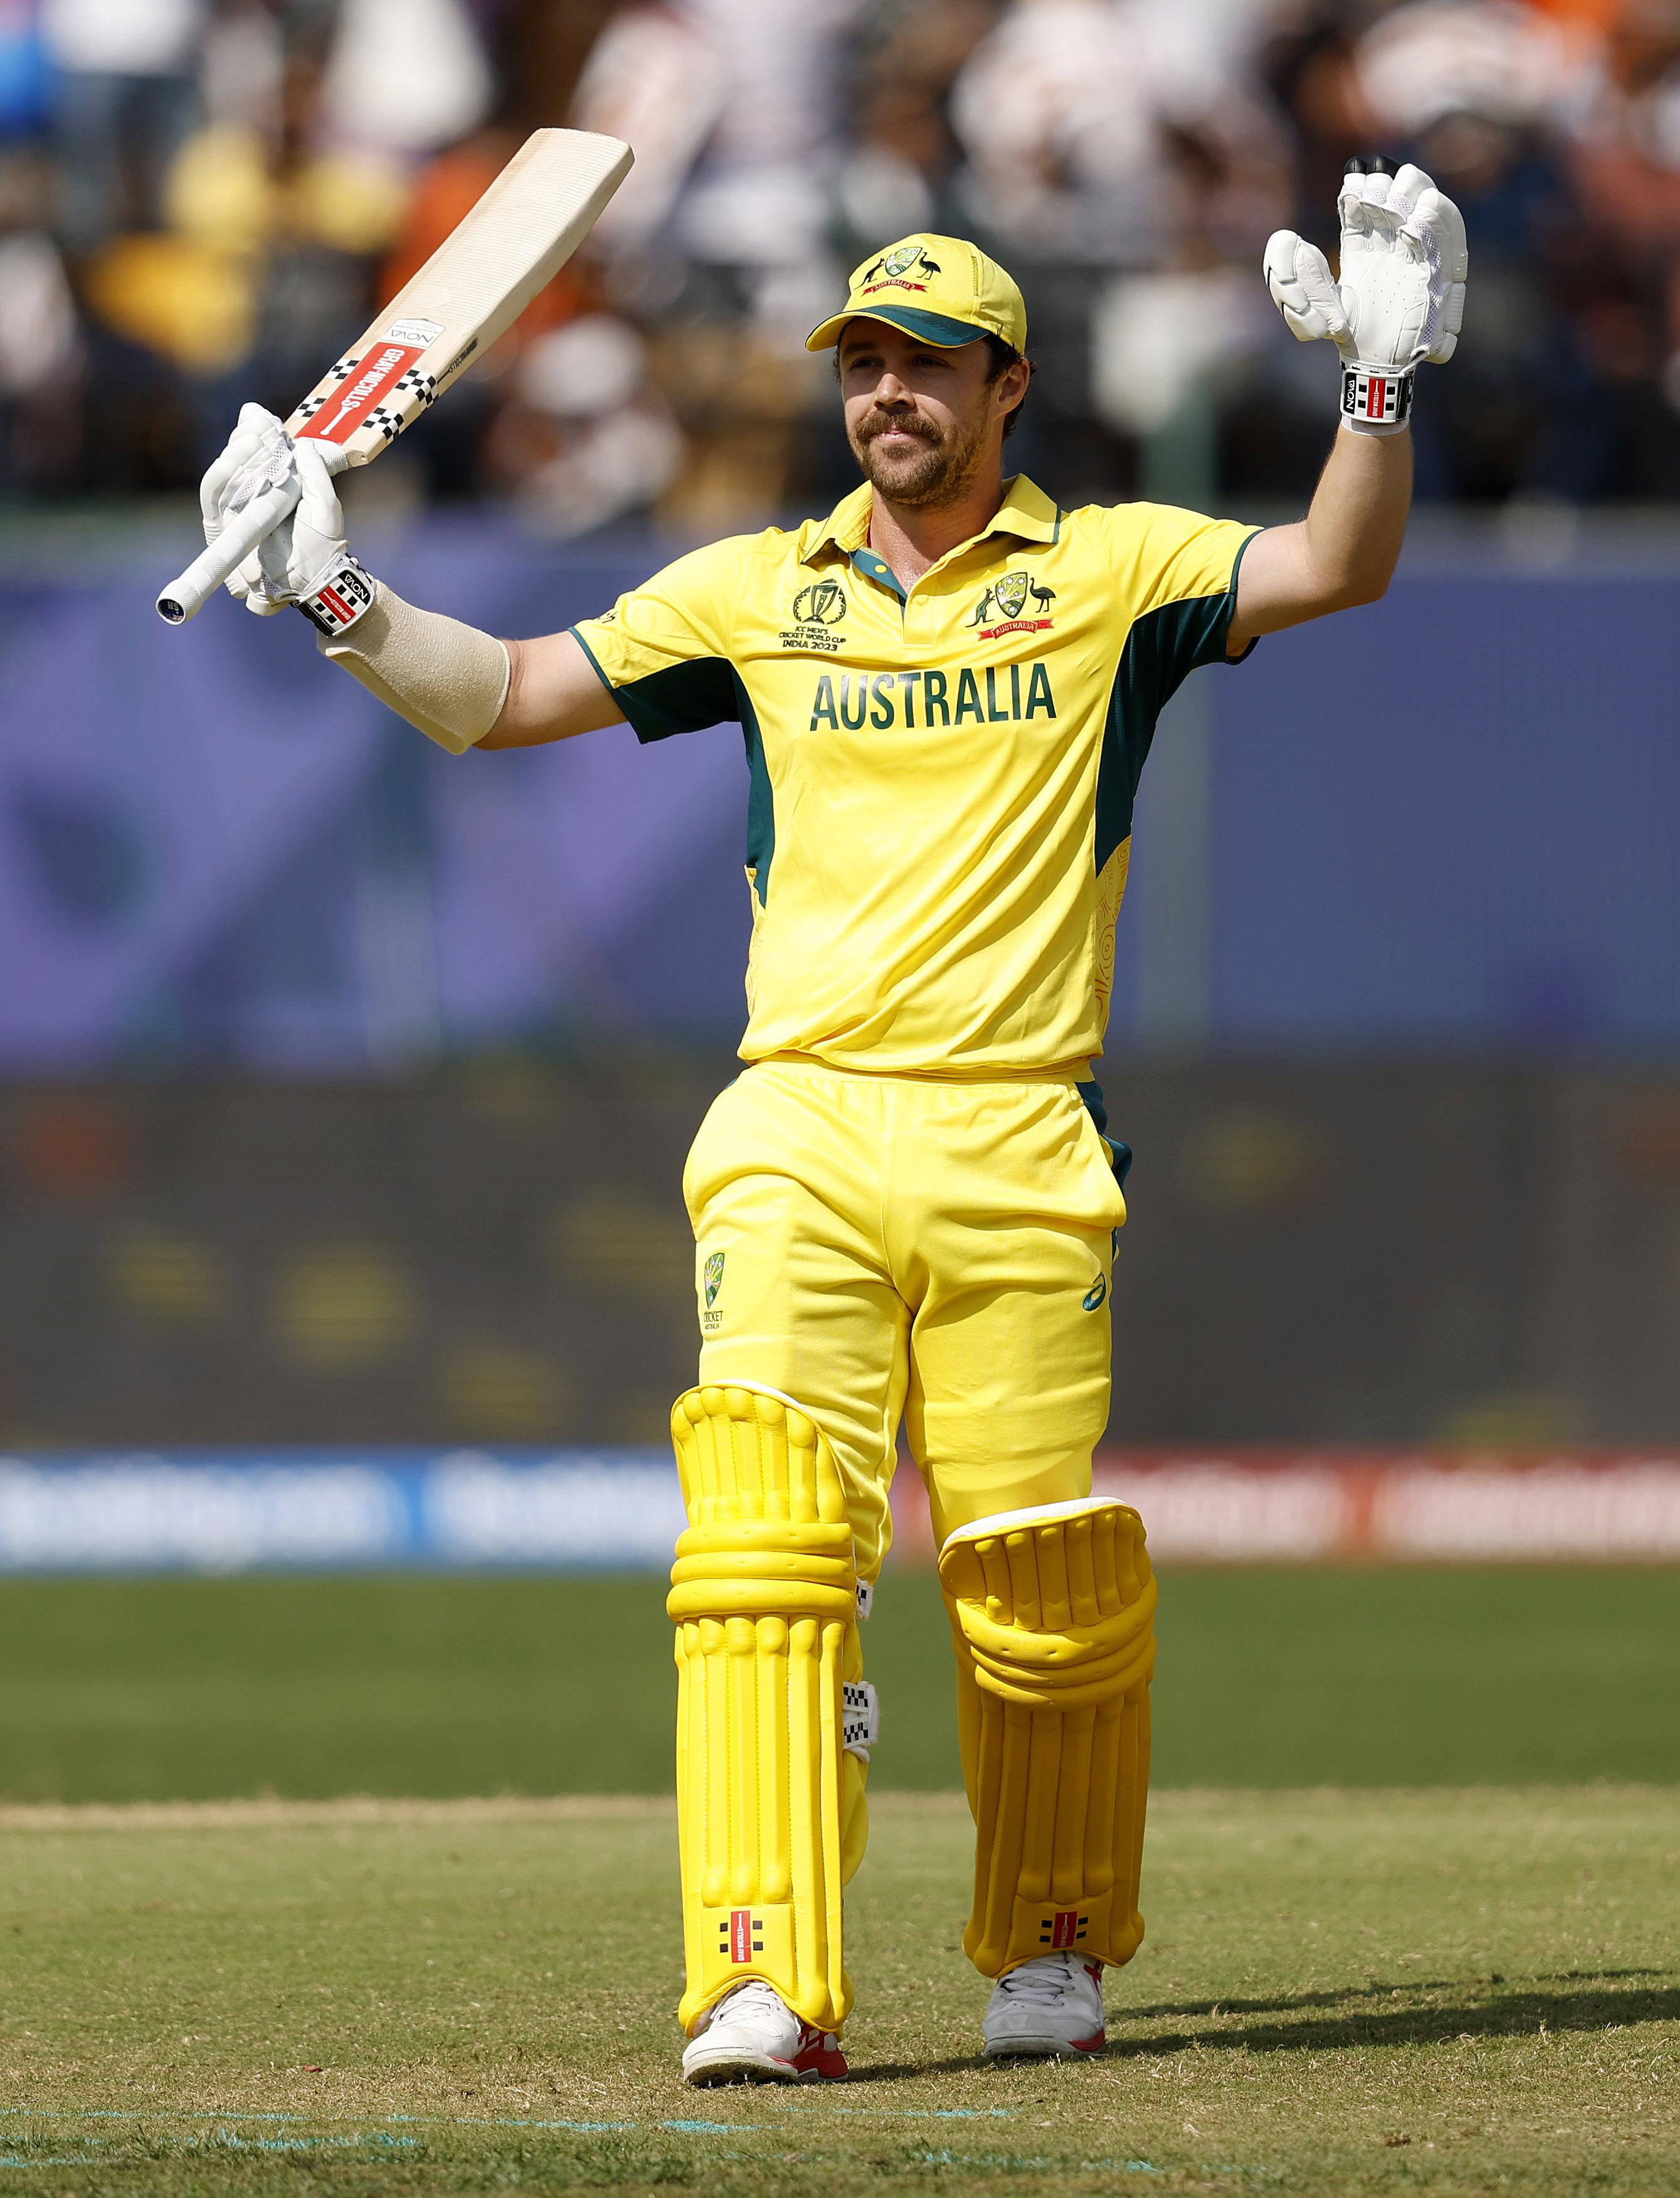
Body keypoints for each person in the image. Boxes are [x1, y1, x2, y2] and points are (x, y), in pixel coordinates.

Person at [198, 159, 1467, 2084]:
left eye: (932, 364)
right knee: (765, 1557)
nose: (891, 394)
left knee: (1036, 1583)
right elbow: (515, 694)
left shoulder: (1111, 572)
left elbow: (1337, 566)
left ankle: (1054, 1950)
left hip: (1019, 1138)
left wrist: (1376, 394)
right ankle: (759, 1981)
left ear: (1007, 385)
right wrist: (336, 593)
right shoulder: (754, 589)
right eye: (865, 361)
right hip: (797, 1122)